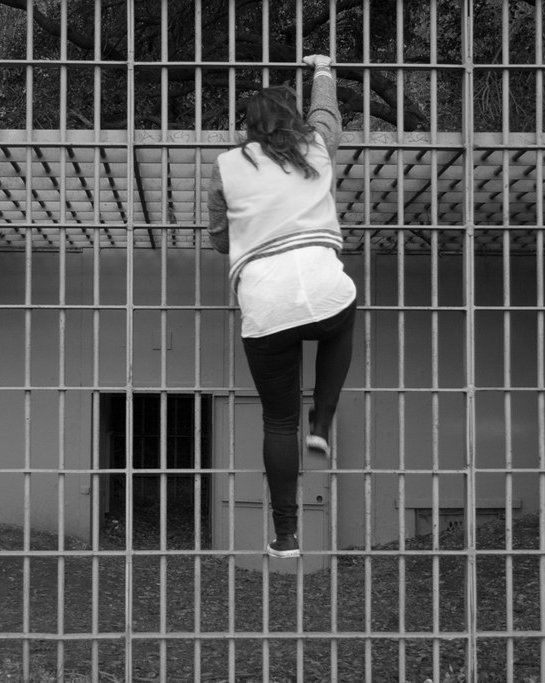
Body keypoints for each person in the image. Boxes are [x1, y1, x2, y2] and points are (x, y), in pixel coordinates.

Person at [207, 55, 357, 559]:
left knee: (276, 420)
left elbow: (217, 237)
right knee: (342, 318)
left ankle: (286, 535)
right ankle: (324, 420)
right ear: (295, 123)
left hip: (265, 305)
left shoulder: (228, 166)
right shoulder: (317, 148)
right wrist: (322, 71)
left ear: (246, 128)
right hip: (323, 288)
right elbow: (328, 118)